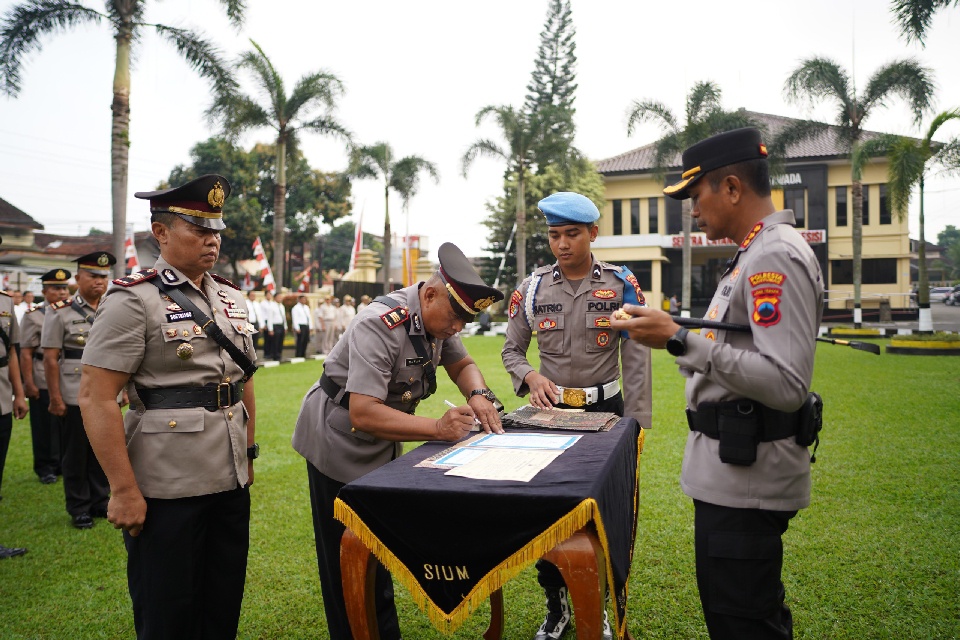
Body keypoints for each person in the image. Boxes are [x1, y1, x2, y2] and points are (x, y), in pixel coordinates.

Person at [611, 128, 824, 640]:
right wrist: (675, 334)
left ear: (731, 188)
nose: (692, 211)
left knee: (743, 624)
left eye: (696, 195)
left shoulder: (773, 256)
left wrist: (677, 340)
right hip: (732, 472)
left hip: (747, 480)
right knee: (742, 615)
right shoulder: (752, 254)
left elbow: (787, 383)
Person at [292, 242, 505, 640]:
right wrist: (438, 429)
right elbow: (363, 412)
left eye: (465, 320)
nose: (458, 328)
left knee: (376, 550)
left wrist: (479, 394)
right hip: (338, 439)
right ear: (430, 294)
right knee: (345, 557)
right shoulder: (380, 323)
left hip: (383, 438)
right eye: (456, 317)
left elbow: (462, 363)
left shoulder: (437, 318)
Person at [79, 174, 258, 639]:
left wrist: (249, 454)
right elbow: (96, 396)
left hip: (229, 476)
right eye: (198, 230)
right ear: (160, 232)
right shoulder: (132, 299)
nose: (212, 240)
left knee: (222, 603)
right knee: (169, 611)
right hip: (165, 484)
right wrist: (122, 490)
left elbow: (242, 381)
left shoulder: (230, 296)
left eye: (216, 231)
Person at [501, 191, 652, 640]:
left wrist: (636, 423)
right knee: (547, 514)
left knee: (600, 513)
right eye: (554, 235)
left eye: (572, 234)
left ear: (593, 234)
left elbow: (637, 354)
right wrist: (530, 377)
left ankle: (597, 605)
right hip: (549, 417)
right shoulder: (531, 289)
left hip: (606, 415)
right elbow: (511, 351)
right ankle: (557, 607)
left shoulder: (622, 283)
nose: (562, 244)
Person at [42, 251, 115, 529]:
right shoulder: (59, 311)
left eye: (104, 277)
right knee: (75, 453)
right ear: (78, 278)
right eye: (93, 276)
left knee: (102, 448)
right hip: (73, 392)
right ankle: (79, 506)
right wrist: (55, 397)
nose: (99, 281)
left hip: (105, 392)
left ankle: (99, 500)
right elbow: (51, 358)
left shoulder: (112, 308)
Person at [20, 268, 71, 484]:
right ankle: (45, 466)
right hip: (42, 374)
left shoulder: (71, 312)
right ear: (44, 291)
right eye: (55, 288)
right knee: (44, 424)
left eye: (64, 288)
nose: (61, 292)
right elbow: (26, 352)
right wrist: (28, 382)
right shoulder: (33, 315)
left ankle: (61, 463)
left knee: (65, 423)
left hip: (67, 374)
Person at [261, 289, 286, 361]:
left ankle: (279, 355)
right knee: (275, 342)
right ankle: (275, 356)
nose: (280, 298)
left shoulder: (282, 306)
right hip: (275, 326)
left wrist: (285, 326)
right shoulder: (271, 306)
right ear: (275, 298)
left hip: (281, 325)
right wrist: (271, 329)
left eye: (281, 297)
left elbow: (284, 317)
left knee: (280, 341)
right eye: (279, 297)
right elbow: (270, 318)